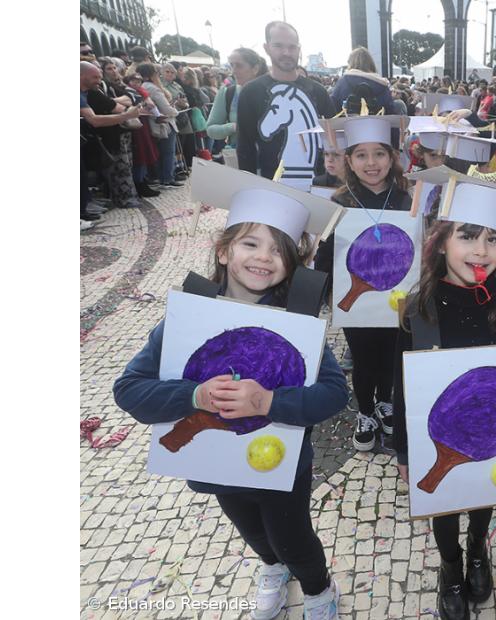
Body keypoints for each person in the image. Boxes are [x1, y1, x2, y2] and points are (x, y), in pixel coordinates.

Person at [113, 186, 346, 620]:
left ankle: (317, 588)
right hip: (217, 466)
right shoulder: (185, 322)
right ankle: (274, 569)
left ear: (291, 264)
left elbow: (334, 393)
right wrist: (194, 395)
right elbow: (129, 389)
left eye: (278, 250)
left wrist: (270, 400)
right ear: (223, 251)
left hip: (282, 469)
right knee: (254, 531)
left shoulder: (298, 327)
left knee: (293, 536)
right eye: (250, 243)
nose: (263, 257)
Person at [395, 167, 496, 620]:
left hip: (489, 436)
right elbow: (404, 387)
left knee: (481, 495)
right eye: (469, 235)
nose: (481, 249)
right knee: (444, 503)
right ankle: (451, 565)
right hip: (437, 432)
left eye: (493, 238)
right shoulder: (419, 308)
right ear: (441, 241)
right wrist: (404, 450)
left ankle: (478, 548)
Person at [313, 116, 411, 452]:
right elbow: (326, 252)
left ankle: (386, 402)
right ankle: (366, 411)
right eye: (362, 155)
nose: (372, 163)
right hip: (355, 301)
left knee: (390, 355)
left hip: (394, 299)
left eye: (380, 154)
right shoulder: (340, 202)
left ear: (392, 158)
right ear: (349, 161)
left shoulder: (404, 200)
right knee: (364, 357)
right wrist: (325, 291)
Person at [237, 21, 336, 189]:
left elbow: (334, 141)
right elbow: (245, 147)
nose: (286, 52)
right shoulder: (251, 92)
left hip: (319, 187)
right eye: (278, 46)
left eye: (292, 47)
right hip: (271, 186)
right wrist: (250, 190)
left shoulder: (319, 91)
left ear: (299, 49)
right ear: (267, 48)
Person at [82, 60, 145, 211]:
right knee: (116, 169)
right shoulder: (88, 94)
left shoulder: (93, 90)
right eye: (95, 77)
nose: (99, 80)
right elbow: (97, 119)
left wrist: (117, 105)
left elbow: (131, 98)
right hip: (102, 136)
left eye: (100, 76)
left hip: (109, 133)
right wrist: (126, 115)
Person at [207, 48, 269, 151]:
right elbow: (211, 130)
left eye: (239, 66)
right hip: (239, 159)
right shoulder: (227, 93)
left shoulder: (272, 93)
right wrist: (233, 127)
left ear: (255, 69)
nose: (233, 71)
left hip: (271, 158)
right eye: (232, 65)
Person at [134, 63, 184, 188]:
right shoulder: (153, 88)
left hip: (153, 123)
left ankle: (162, 177)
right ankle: (167, 178)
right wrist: (175, 111)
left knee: (161, 152)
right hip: (164, 123)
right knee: (168, 152)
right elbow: (165, 108)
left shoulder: (142, 86)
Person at [330, 47, 397, 114]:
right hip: (377, 123)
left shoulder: (343, 82)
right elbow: (391, 112)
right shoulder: (382, 85)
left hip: (348, 123)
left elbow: (332, 108)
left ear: (351, 63)